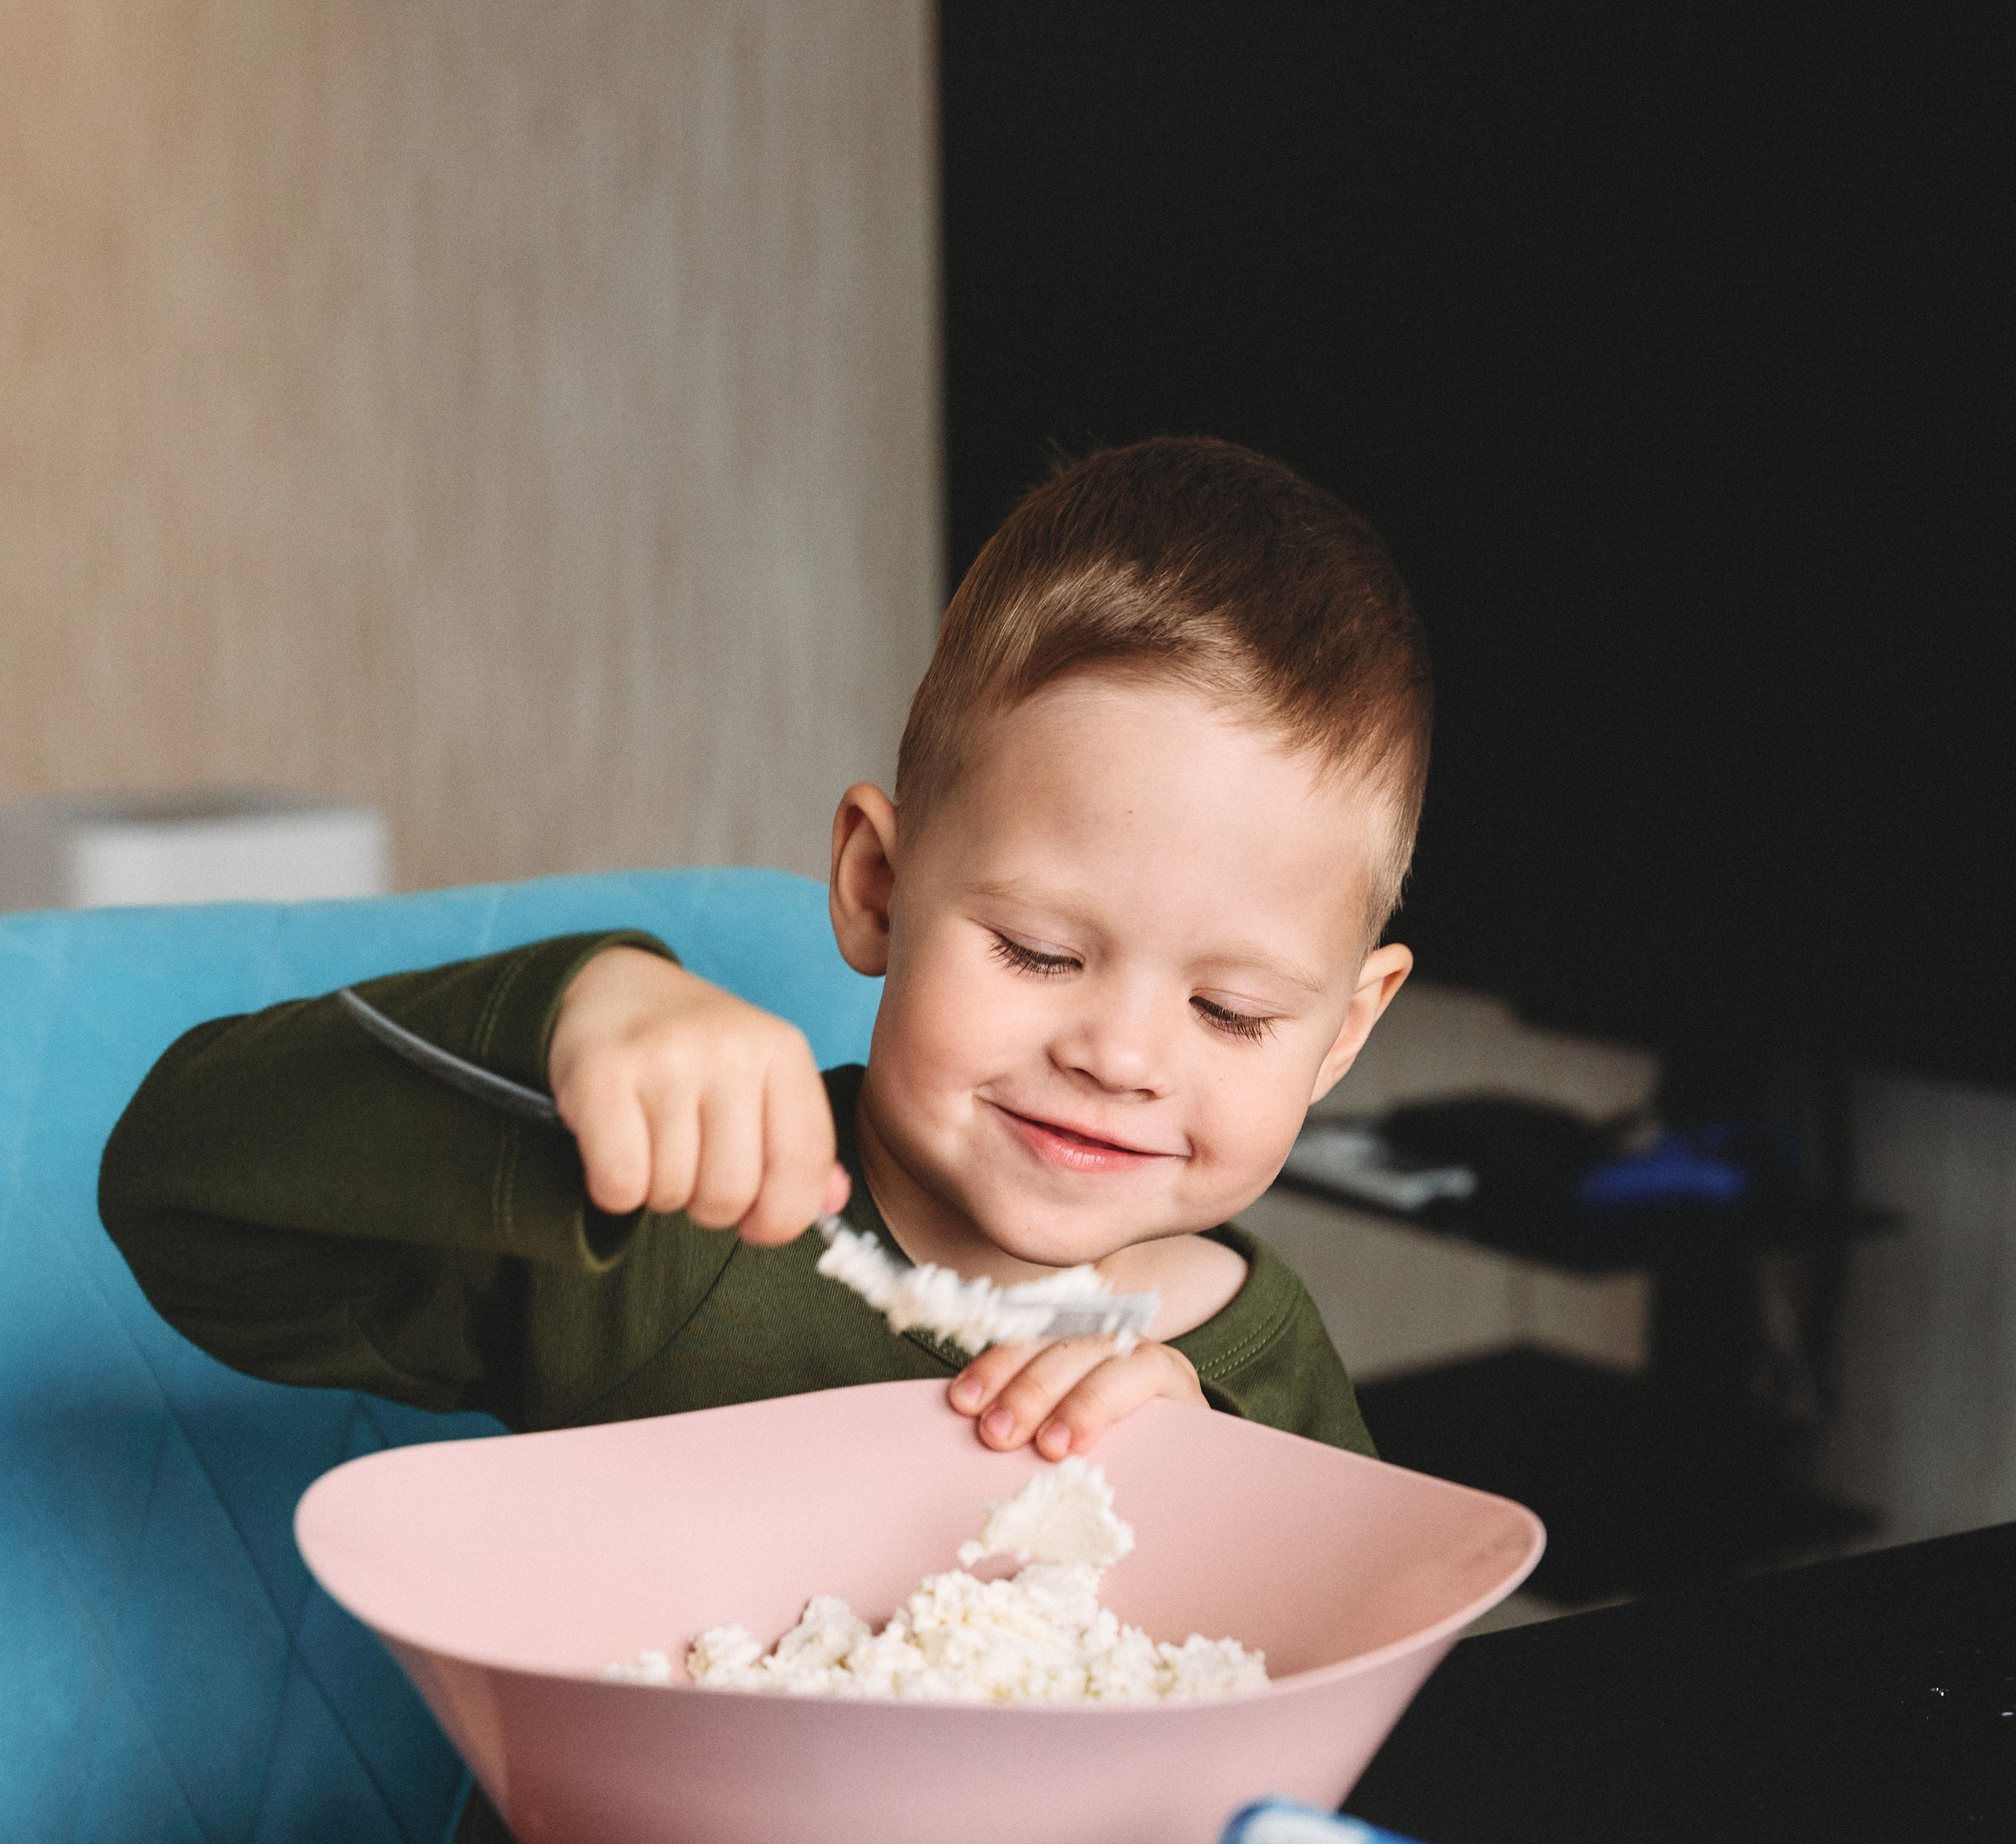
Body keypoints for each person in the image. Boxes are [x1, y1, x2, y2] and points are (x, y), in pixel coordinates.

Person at [101, 435, 1429, 1471]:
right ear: (876, 887)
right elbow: (182, 1204)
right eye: (1035, 952)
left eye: (1234, 1012)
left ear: (1344, 1035)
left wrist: (1221, 1492)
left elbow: (1355, 1717)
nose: (1121, 1055)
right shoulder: (661, 1235)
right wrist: (559, 1020)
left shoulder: (1267, 1371)